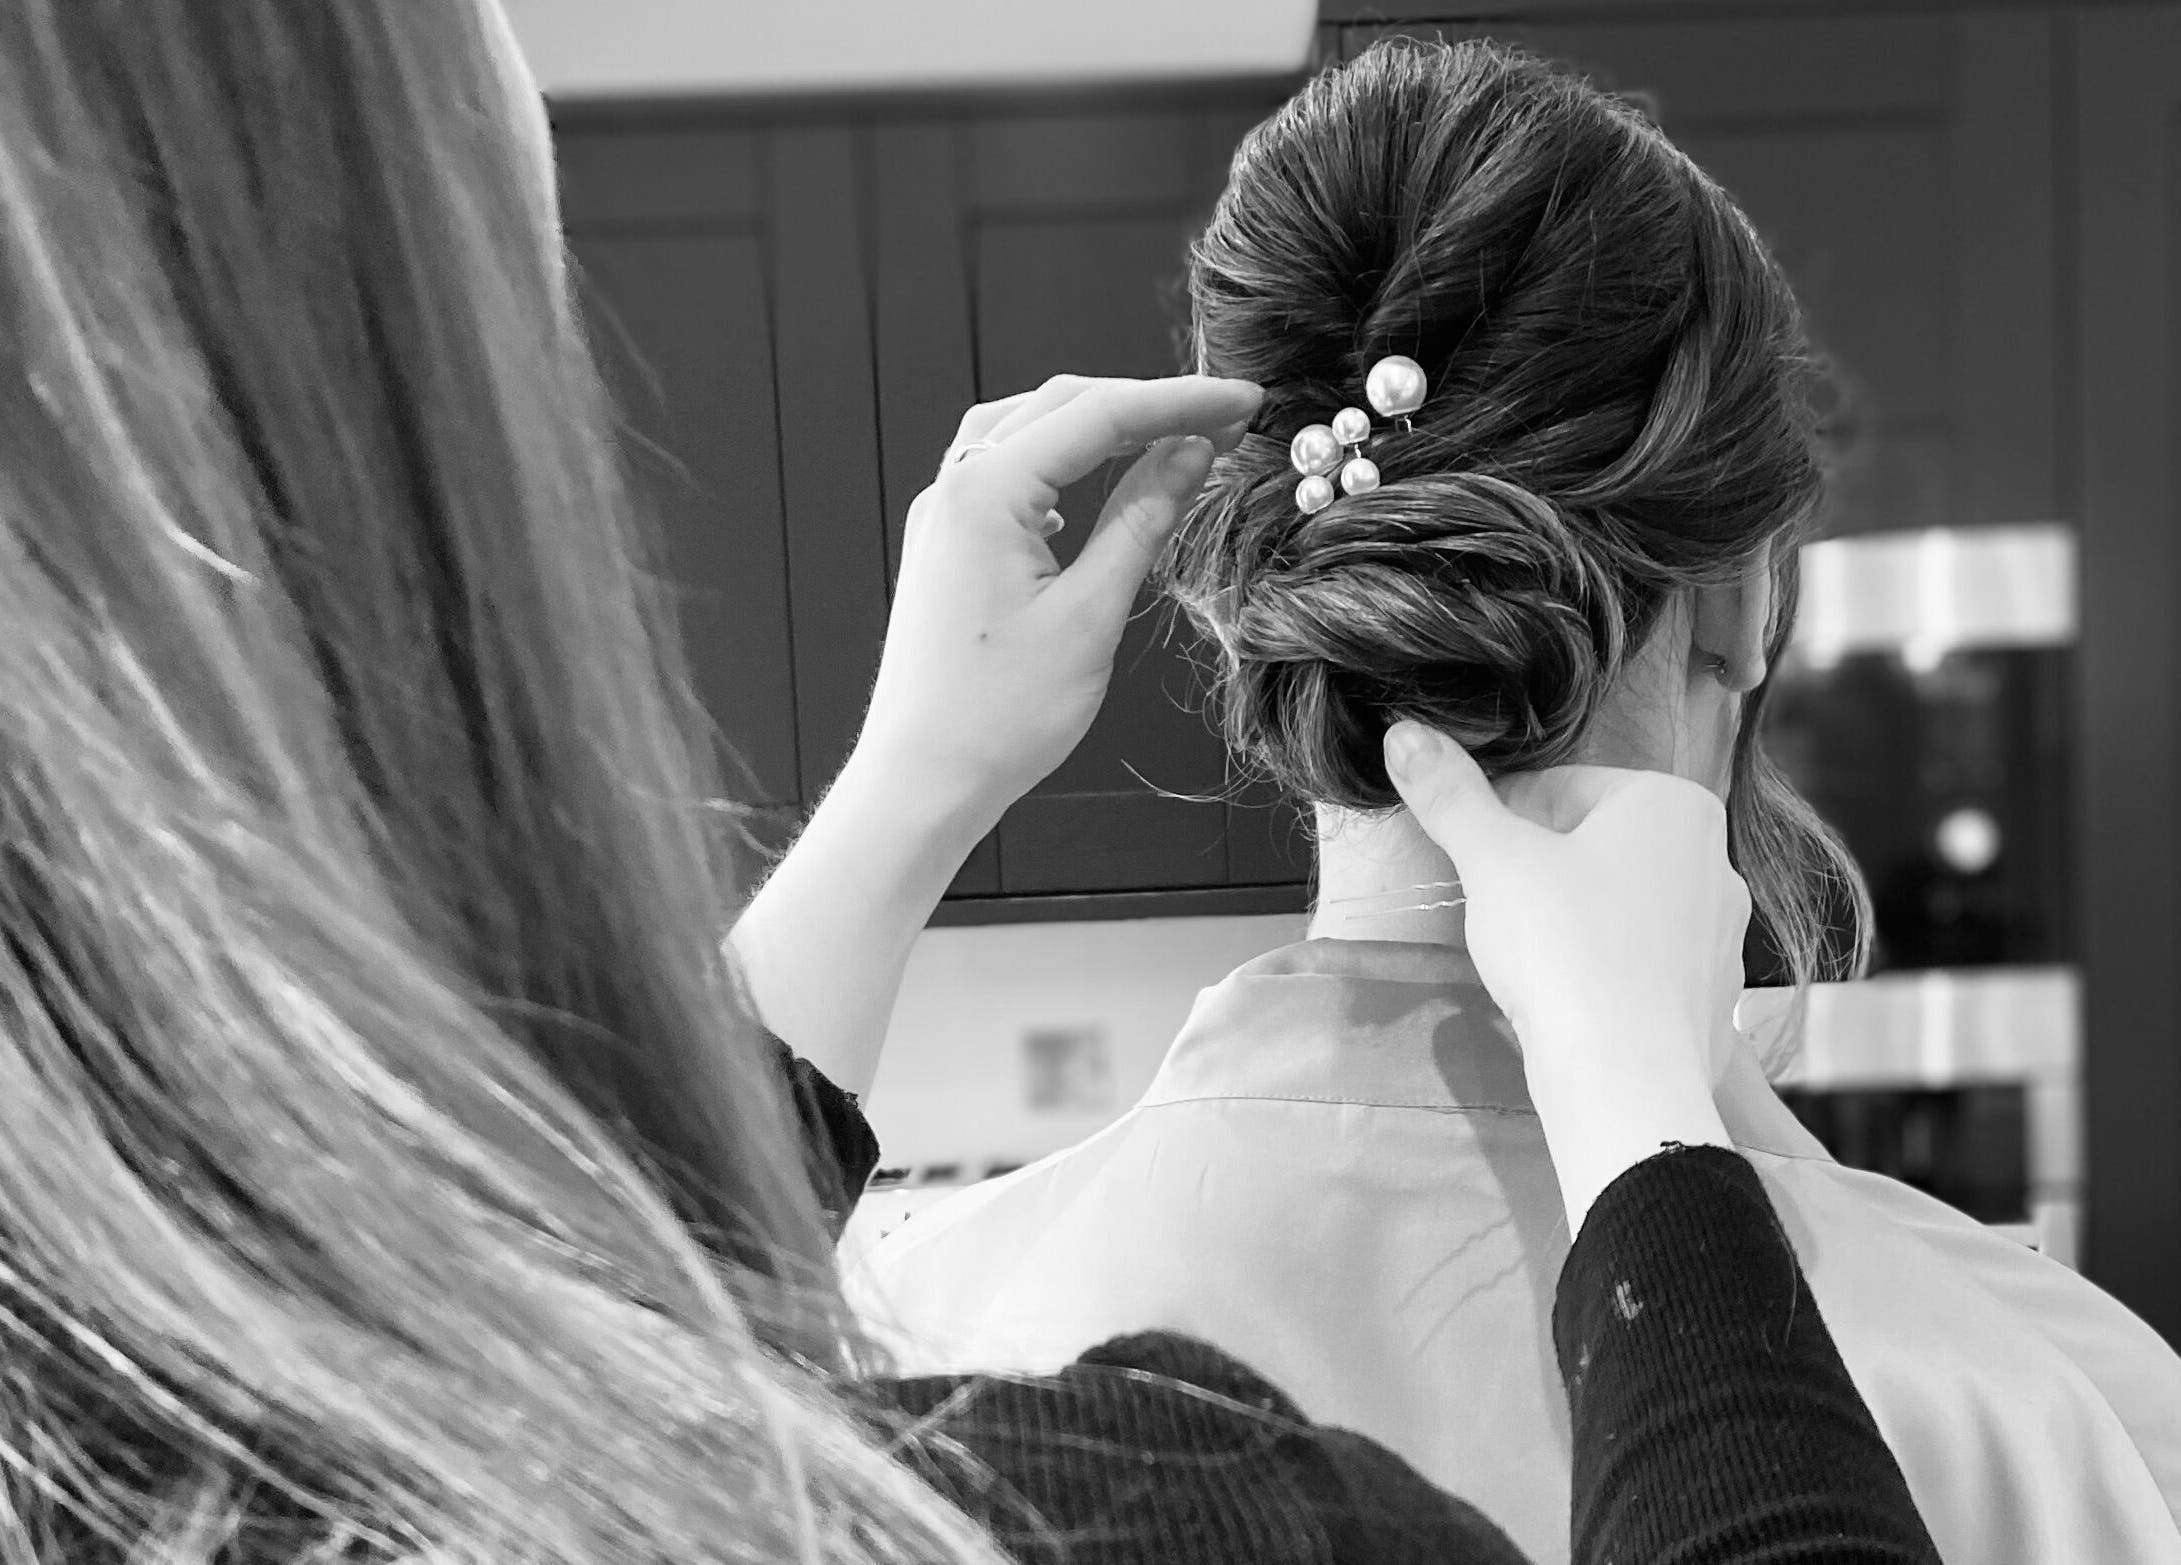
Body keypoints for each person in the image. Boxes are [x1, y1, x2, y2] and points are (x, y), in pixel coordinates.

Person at [0, 2, 1939, 1560]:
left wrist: (916, 785)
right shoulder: (1164, 1509)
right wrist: (1632, 1109)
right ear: (1743, 597)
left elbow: (565, 1350)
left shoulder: (106, 1433)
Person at [846, 37, 2181, 1565]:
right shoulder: (2043, 1410)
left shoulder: (908, 1360)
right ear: (1744, 602)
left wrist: (904, 795)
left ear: (1261, 604)